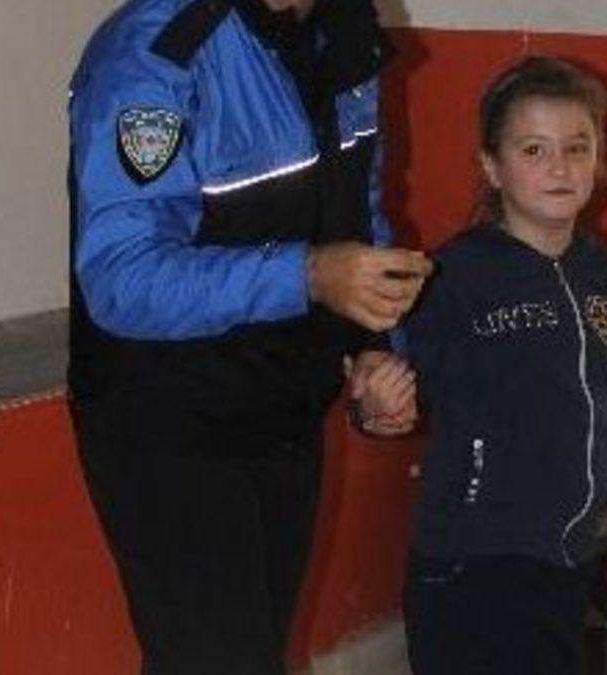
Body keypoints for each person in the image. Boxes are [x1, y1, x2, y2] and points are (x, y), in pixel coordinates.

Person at [66, 0, 430, 673]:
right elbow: (121, 277)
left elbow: (360, 216)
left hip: (283, 411)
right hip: (169, 419)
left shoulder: (345, 31)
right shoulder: (156, 51)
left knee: (252, 654)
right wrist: (308, 275)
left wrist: (375, 351)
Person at [402, 56, 607, 675]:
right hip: (468, 562)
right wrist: (375, 405)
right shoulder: (453, 275)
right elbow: (391, 392)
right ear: (492, 166)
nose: (560, 166)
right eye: (533, 150)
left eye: (578, 147)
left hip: (564, 560)